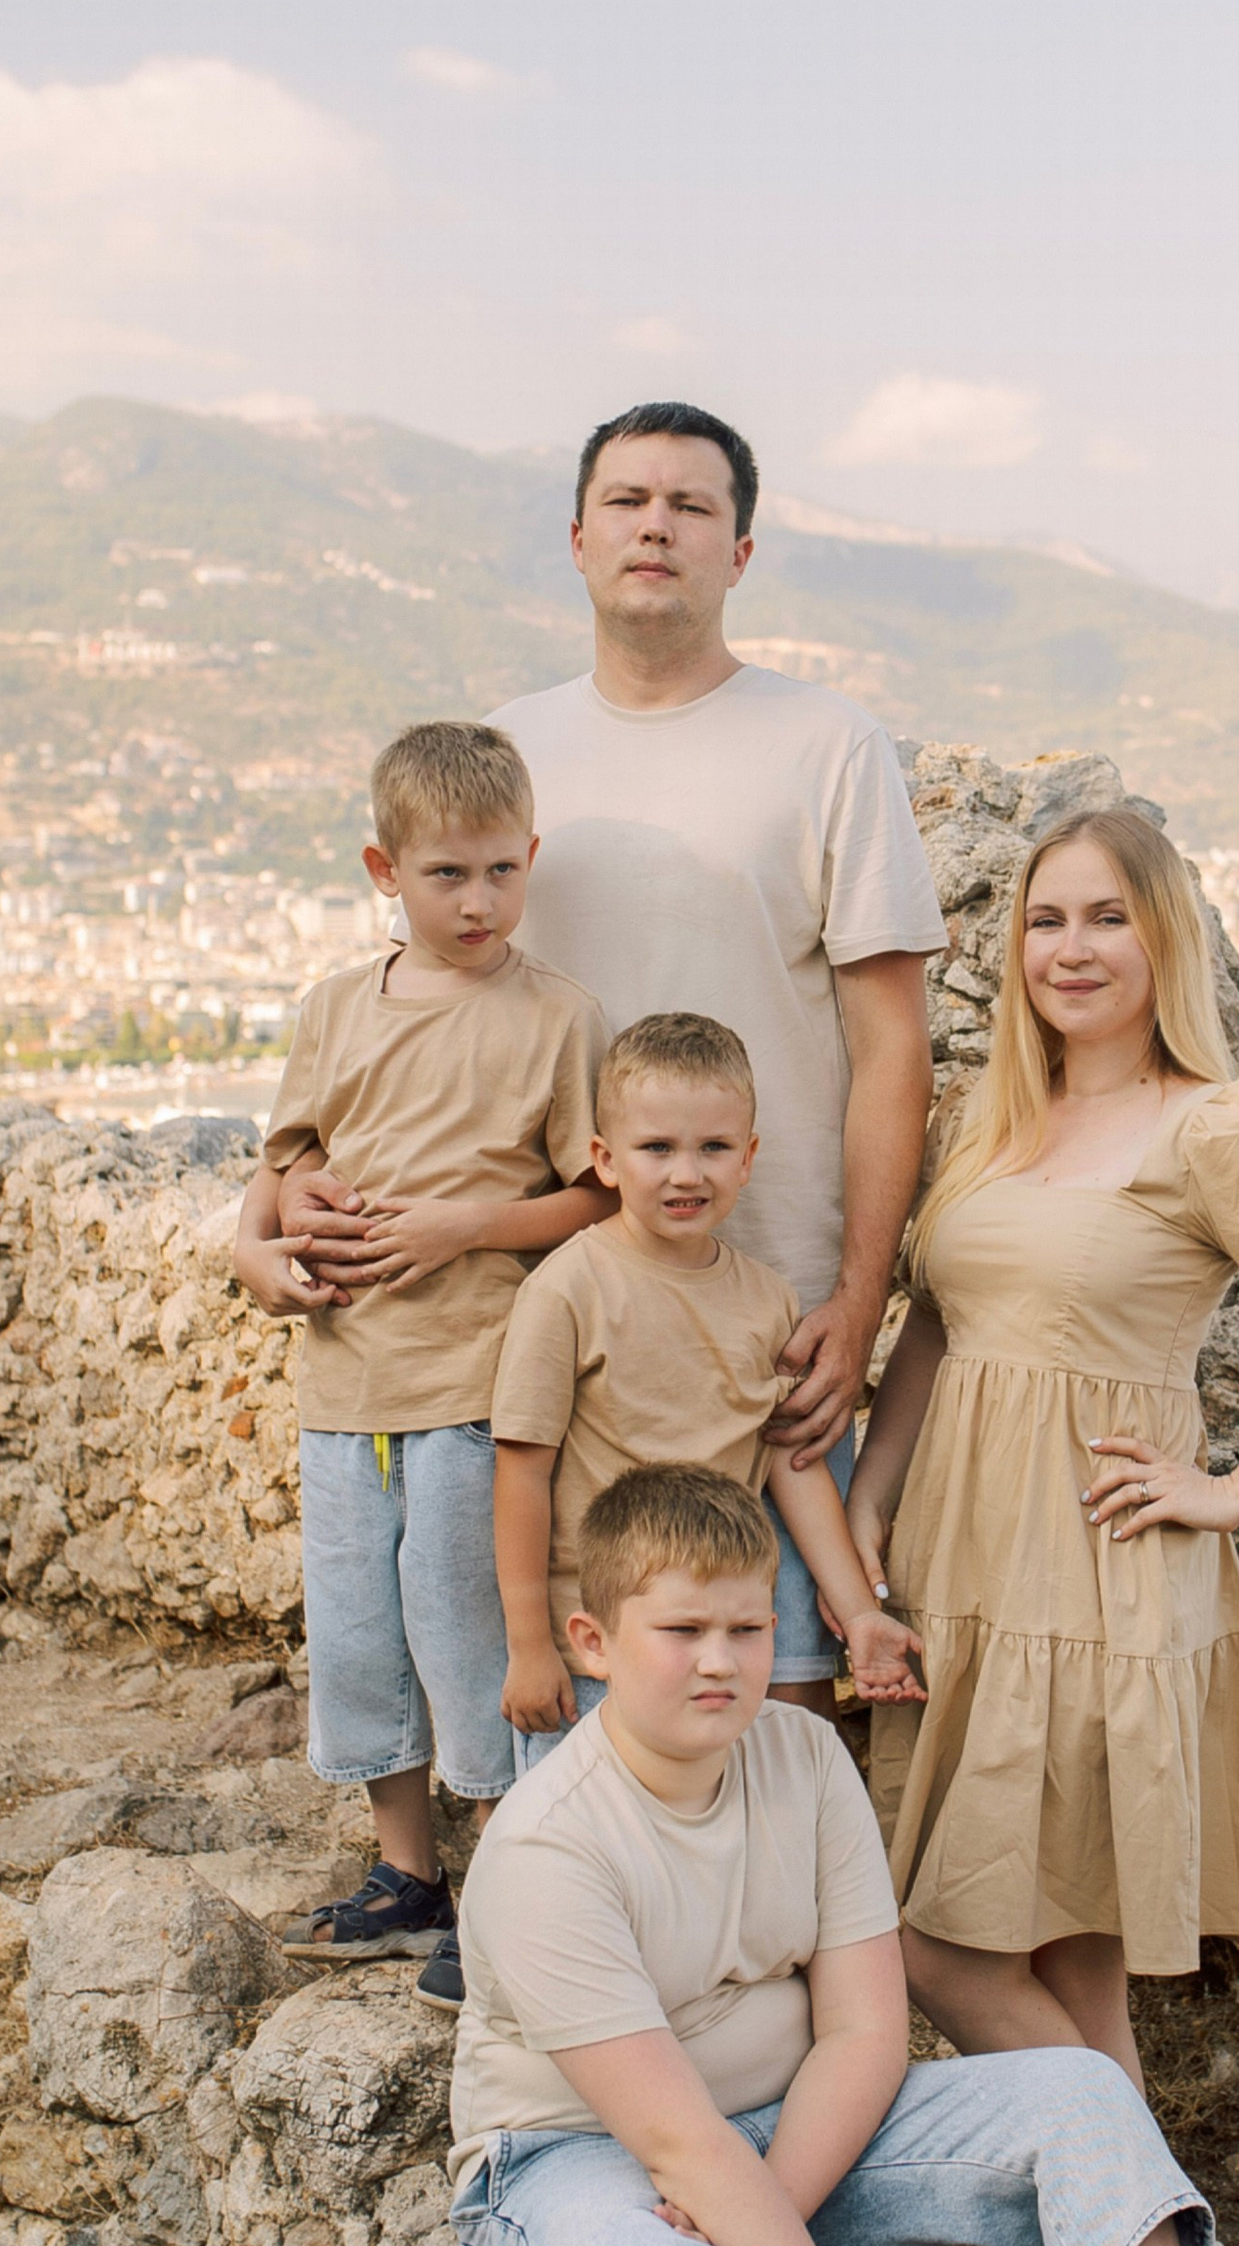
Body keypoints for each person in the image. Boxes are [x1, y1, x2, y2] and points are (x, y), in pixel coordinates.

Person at [287, 401, 944, 1721]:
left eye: (692, 505)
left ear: (739, 552)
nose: (657, 526)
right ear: (578, 539)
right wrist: (295, 1189)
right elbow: (425, 1019)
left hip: (766, 1314)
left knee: (778, 1708)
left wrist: (858, 1293)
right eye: (629, 502)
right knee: (565, 1706)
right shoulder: (507, 752)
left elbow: (894, 1049)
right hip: (547, 1307)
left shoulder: (829, 745)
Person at [846, 804, 1239, 2085]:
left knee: (932, 1949)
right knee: (1072, 1975)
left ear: (1162, 937)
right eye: (1045, 920)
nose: (1071, 948)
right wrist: (869, 1496)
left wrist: (1234, 1491)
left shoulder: (1214, 1127)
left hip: (1094, 1582)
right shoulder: (989, 1119)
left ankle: (1130, 2194)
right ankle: (1135, 2192)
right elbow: (938, 1324)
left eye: (1107, 917)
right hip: (962, 1571)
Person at [444, 1462, 1211, 2246]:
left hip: (803, 2132)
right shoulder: (549, 1845)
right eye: (683, 1631)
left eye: (746, 1630)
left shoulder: (806, 1755)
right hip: (585, 2158)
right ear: (593, 1643)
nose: (719, 1661)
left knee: (1084, 2093)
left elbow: (863, 2032)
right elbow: (679, 2143)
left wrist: (770, 2207)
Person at [233, 721, 611, 1973]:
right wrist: (264, 1239)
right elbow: (286, 1159)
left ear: (531, 857)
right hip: (343, 1384)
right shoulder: (335, 1008)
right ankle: (407, 1873)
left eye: (502, 870)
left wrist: (466, 1224)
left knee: (466, 1631)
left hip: (473, 1381)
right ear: (384, 870)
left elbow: (593, 1198)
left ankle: (508, 1884)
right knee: (359, 1643)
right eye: (447, 874)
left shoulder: (557, 1018)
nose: (478, 900)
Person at [486, 1013, 925, 1795]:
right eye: (657, 1148)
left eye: (713, 1148)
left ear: (748, 1159)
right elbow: (521, 1470)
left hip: (719, 1639)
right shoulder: (568, 1289)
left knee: (703, 1832)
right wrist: (528, 1646)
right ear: (605, 1159)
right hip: (600, 1644)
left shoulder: (766, 1299)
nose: (686, 1174)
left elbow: (791, 1465)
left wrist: (861, 1615)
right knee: (590, 1836)